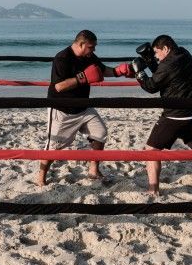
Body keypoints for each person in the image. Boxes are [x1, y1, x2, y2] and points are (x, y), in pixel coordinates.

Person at [37, 29, 133, 186]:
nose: (93, 50)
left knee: (100, 133)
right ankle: (41, 177)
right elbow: (59, 87)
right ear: (81, 44)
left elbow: (101, 70)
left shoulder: (89, 56)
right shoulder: (62, 58)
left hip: (84, 107)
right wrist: (83, 77)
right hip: (62, 109)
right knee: (53, 147)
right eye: (91, 47)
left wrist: (118, 71)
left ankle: (93, 170)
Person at [132, 34, 192, 195]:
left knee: (151, 149)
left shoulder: (168, 64)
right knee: (188, 137)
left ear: (166, 48)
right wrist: (151, 62)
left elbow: (152, 87)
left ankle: (153, 189)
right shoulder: (183, 53)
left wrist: (139, 73)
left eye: (157, 53)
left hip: (177, 115)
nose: (157, 57)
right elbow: (166, 74)